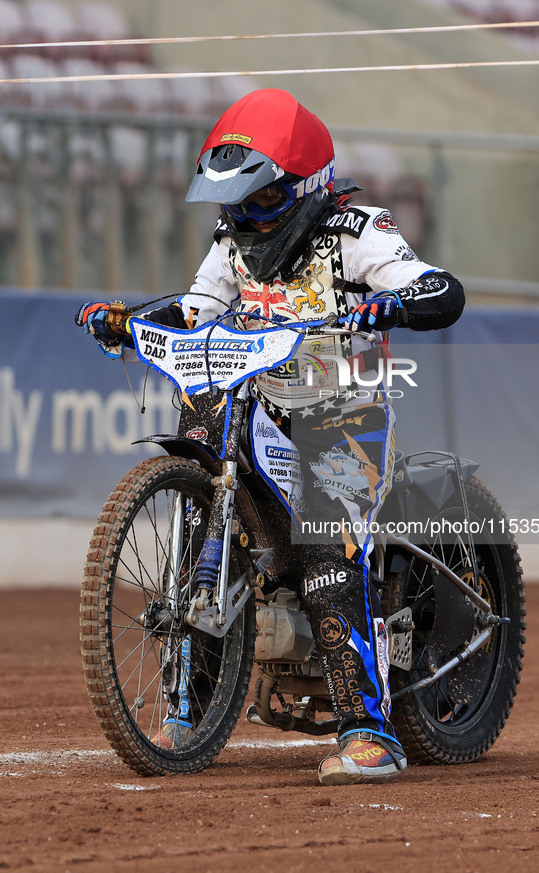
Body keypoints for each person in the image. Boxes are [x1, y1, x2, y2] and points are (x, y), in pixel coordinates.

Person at [77, 88, 465, 786]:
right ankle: (190, 707)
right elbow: (195, 310)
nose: (241, 218)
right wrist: (125, 318)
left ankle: (370, 733)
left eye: (258, 202)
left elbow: (440, 289)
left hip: (343, 412)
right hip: (263, 400)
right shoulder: (232, 242)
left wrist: (393, 301)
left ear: (305, 187)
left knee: (324, 549)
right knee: (199, 437)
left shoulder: (357, 230)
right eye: (233, 204)